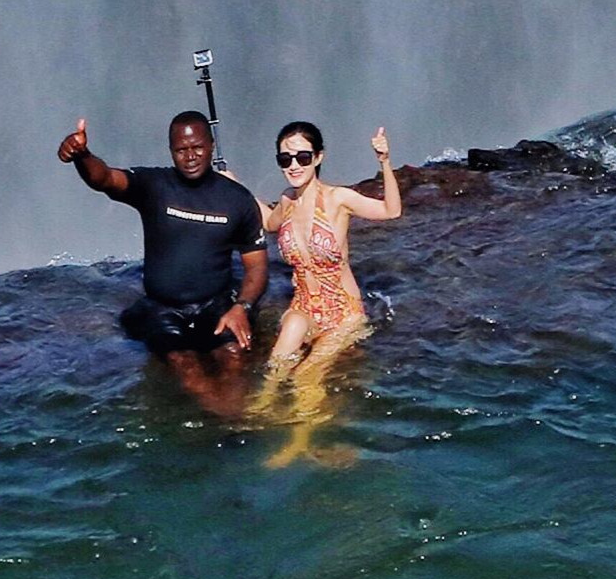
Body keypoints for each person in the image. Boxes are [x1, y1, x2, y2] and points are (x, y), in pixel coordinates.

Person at [59, 109, 267, 363]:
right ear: (171, 151)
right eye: (181, 150)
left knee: (232, 356)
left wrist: (242, 307)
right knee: (184, 363)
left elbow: (257, 268)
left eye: (198, 148)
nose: (190, 156)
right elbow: (105, 179)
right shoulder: (154, 186)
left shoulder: (238, 200)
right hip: (164, 309)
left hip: (216, 305)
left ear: (211, 146)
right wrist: (82, 156)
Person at [257, 118, 401, 391]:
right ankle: (258, 412)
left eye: (302, 157)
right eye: (285, 159)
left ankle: (303, 421)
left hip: (343, 314)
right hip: (303, 307)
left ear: (318, 157)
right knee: (274, 370)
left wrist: (384, 161)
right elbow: (268, 223)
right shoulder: (287, 201)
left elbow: (391, 211)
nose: (294, 165)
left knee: (303, 378)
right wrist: (235, 187)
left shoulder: (338, 199)